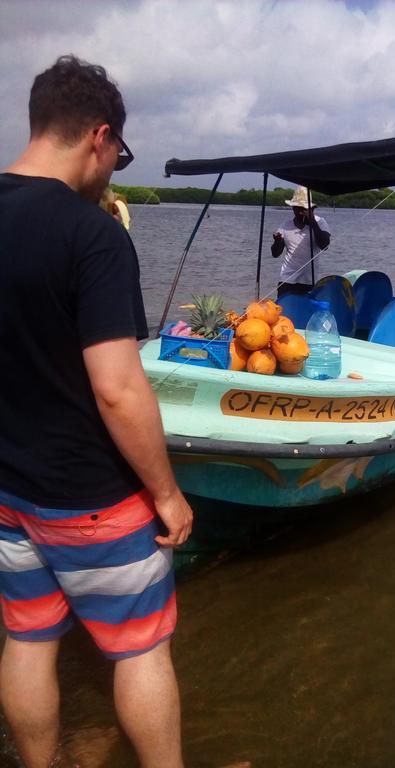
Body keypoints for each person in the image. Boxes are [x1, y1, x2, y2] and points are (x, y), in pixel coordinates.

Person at [0, 55, 193, 768]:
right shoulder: (93, 236)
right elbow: (118, 388)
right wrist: (167, 494)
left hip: (9, 494)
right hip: (90, 497)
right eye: (120, 153)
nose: (115, 168)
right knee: (141, 650)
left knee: (27, 639)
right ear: (99, 137)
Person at [271, 186, 330, 298]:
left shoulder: (320, 222)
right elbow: (275, 253)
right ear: (293, 208)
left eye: (302, 209)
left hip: (308, 281)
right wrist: (277, 242)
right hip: (287, 280)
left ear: (310, 209)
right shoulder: (285, 226)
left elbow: (325, 245)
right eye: (296, 208)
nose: (299, 212)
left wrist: (312, 222)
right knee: (284, 313)